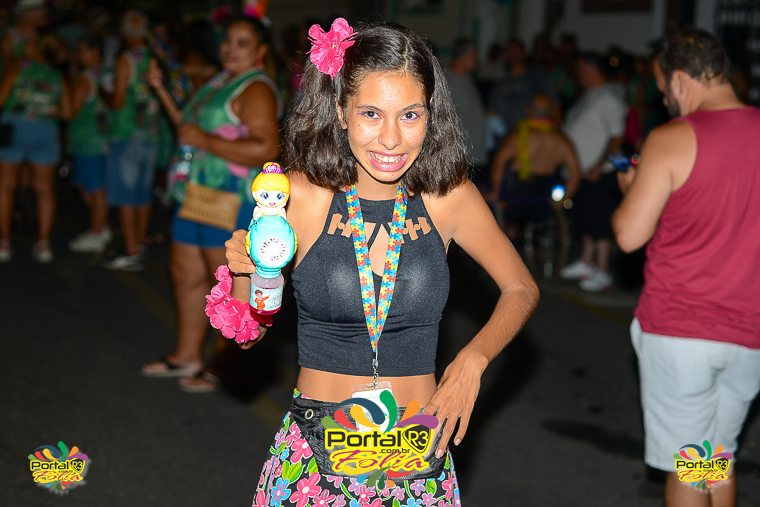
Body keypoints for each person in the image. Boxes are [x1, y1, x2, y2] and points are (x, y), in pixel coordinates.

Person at [215, 19, 539, 505]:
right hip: (315, 460)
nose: (391, 139)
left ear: (431, 115)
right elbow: (247, 335)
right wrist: (246, 271)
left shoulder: (449, 197)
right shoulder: (300, 195)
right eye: (371, 113)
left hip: (419, 455)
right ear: (341, 111)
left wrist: (473, 360)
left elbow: (521, 288)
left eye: (410, 115)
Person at [612, 29, 760, 507]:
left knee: (690, 468)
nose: (664, 100)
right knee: (716, 458)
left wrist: (631, 190)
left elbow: (629, 234)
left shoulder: (673, 138)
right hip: (750, 333)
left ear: (679, 79)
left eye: (663, 88)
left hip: (683, 331)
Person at [141, 16, 281, 393]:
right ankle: (187, 354)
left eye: (242, 43)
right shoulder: (220, 80)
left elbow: (267, 148)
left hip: (230, 199)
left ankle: (225, 364)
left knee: (229, 286)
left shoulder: (256, 88)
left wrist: (205, 141)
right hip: (197, 194)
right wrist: (162, 90)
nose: (231, 49)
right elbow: (189, 130)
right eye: (228, 41)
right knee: (186, 274)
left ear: (260, 51)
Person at [560, 52, 627, 292]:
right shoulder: (589, 94)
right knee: (585, 218)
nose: (577, 74)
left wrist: (600, 164)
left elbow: (617, 136)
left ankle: (603, 269)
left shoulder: (609, 97)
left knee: (599, 221)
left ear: (592, 69)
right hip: (580, 171)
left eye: (581, 69)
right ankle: (587, 262)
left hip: (598, 171)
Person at [0, 32, 68, 263]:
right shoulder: (56, 75)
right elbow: (67, 112)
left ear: (36, 48)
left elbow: (1, 98)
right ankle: (43, 243)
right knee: (45, 190)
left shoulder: (18, 67)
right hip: (45, 131)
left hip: (15, 128)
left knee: (5, 186)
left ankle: (4, 243)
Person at [104, 10, 162, 271]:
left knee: (126, 194)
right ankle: (139, 242)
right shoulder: (155, 58)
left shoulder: (126, 59)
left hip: (126, 135)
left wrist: (104, 94)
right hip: (150, 134)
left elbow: (117, 100)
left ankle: (131, 250)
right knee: (143, 193)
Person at [487, 93, 581, 240]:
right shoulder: (562, 140)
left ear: (528, 110)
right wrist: (561, 200)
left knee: (509, 227)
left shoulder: (517, 136)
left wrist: (495, 191)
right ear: (551, 112)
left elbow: (498, 164)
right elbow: (576, 174)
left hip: (516, 196)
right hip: (544, 198)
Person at [68, 34, 112, 254]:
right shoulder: (108, 73)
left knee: (94, 189)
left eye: (82, 50)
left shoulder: (86, 78)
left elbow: (71, 109)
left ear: (95, 51)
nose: (78, 55)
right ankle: (101, 227)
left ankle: (97, 232)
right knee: (91, 187)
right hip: (103, 137)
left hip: (88, 140)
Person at [444, 37, 487, 183]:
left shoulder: (467, 78)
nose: (477, 61)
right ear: (465, 56)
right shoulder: (448, 81)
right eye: (474, 56)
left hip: (474, 154)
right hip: (461, 157)